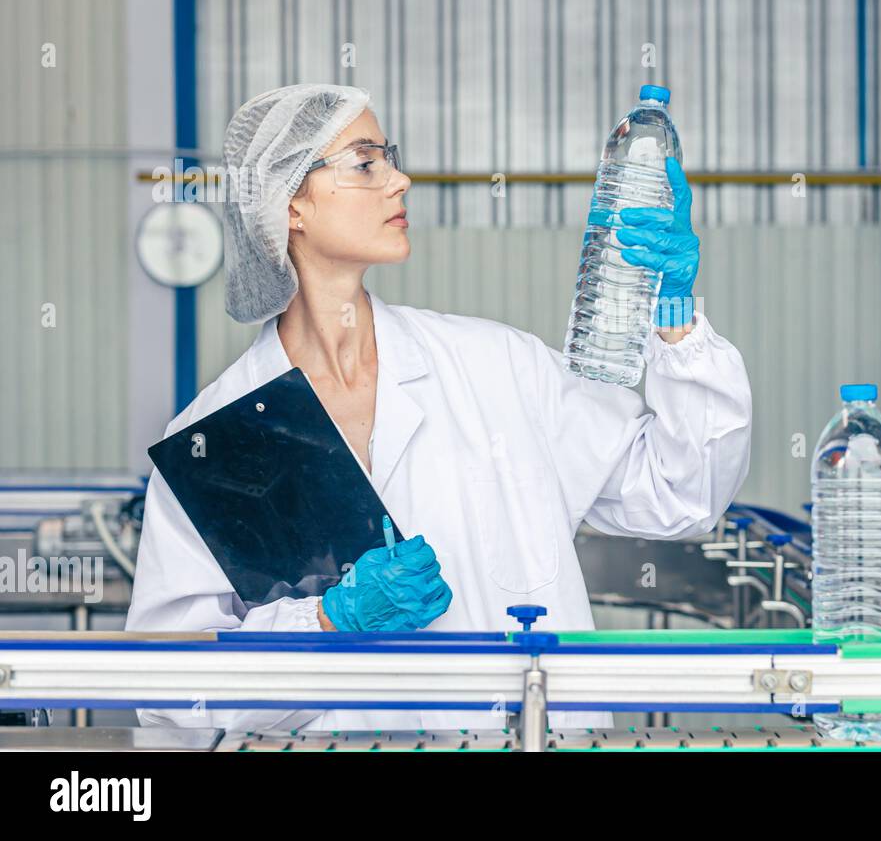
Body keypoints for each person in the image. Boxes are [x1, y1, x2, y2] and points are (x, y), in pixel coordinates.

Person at [125, 83, 753, 733]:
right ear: (290, 206)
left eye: (388, 157)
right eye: (366, 162)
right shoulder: (218, 436)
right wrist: (325, 624)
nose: (400, 180)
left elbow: (681, 493)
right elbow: (173, 694)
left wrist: (673, 316)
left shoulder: (497, 366)